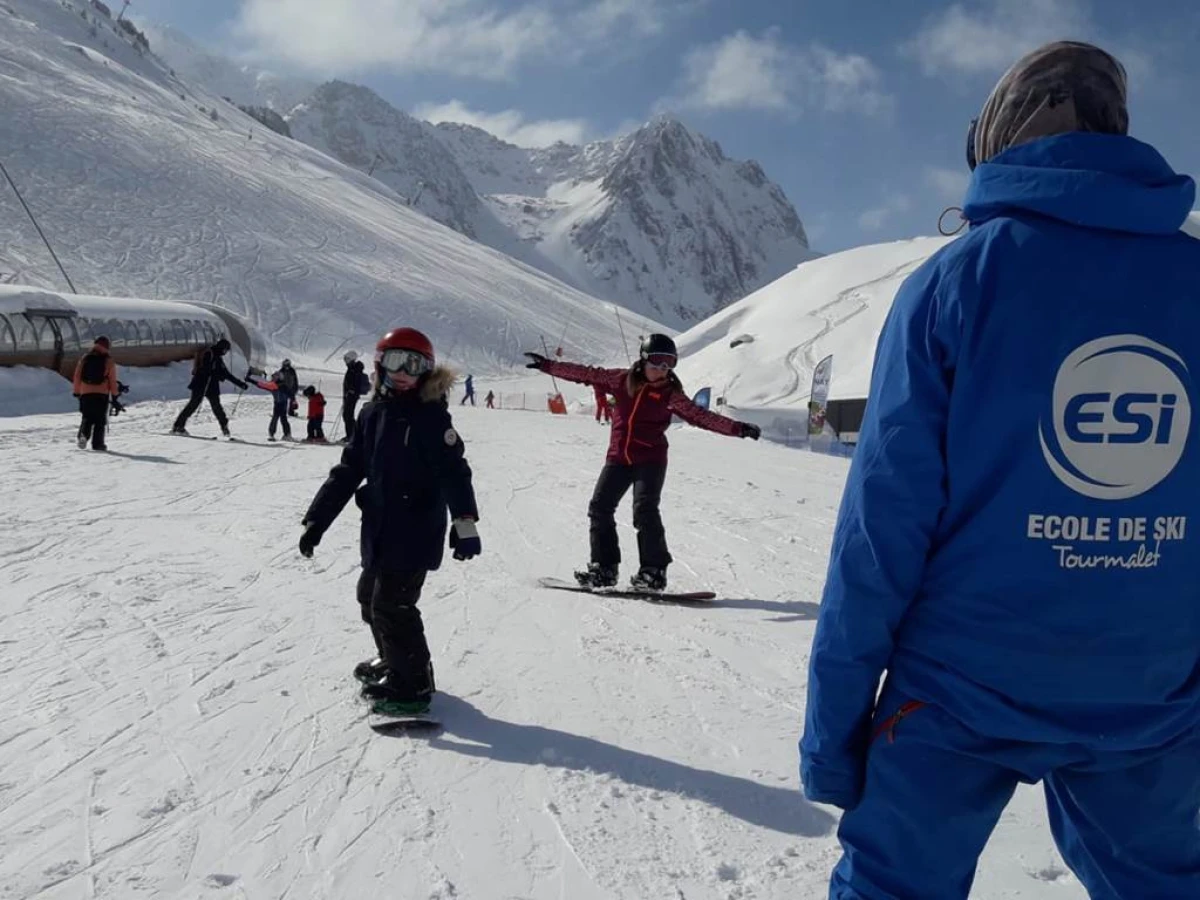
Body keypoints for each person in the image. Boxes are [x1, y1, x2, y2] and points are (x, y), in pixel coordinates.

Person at [799, 41, 1200, 900]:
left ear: (996, 140)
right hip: (1149, 693)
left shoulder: (955, 284)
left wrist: (833, 740)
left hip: (958, 693)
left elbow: (880, 532)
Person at [298, 327, 480, 716]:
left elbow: (454, 472)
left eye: (412, 365)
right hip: (380, 529)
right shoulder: (372, 414)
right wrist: (318, 519)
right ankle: (394, 659)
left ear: (426, 372)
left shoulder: (431, 417)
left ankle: (412, 684)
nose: (402, 372)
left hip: (416, 530)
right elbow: (348, 470)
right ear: (379, 366)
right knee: (370, 600)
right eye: (394, 362)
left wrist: (464, 522)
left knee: (393, 606)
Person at [526, 333, 760, 591]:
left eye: (668, 364)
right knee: (600, 508)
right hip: (618, 458)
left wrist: (737, 428)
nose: (662, 370)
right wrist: (549, 366)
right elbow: (586, 374)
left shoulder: (671, 393)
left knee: (644, 511)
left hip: (651, 459)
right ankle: (604, 569)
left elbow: (700, 416)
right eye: (657, 362)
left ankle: (653, 571)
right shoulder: (621, 380)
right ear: (644, 359)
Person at [171, 337, 248, 436]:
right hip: (201, 384)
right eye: (225, 350)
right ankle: (178, 426)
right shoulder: (209, 353)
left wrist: (240, 384)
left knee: (217, 407)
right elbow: (205, 370)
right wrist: (214, 372)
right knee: (193, 405)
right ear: (221, 348)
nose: (225, 352)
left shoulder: (218, 358)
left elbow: (226, 374)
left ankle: (224, 427)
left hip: (211, 386)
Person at [72, 335, 120, 452]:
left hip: (86, 393)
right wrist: (114, 395)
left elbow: (77, 376)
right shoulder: (108, 360)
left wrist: (77, 392)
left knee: (87, 416)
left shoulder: (85, 358)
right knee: (100, 420)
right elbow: (112, 380)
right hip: (101, 394)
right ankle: (98, 444)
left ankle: (83, 435)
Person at [248, 359, 299, 441]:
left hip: (282, 404)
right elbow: (261, 385)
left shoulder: (282, 386)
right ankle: (275, 434)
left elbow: (291, 394)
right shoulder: (274, 386)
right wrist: (250, 380)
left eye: (275, 378)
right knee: (277, 418)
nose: (273, 379)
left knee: (282, 418)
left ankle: (286, 434)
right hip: (278, 404)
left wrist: (294, 401)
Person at [341, 350, 369, 442]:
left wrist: (351, 391)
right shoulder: (352, 368)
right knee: (347, 415)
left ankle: (352, 436)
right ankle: (350, 435)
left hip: (351, 396)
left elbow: (354, 384)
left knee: (348, 415)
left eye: (347, 359)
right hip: (349, 395)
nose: (345, 361)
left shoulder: (355, 369)